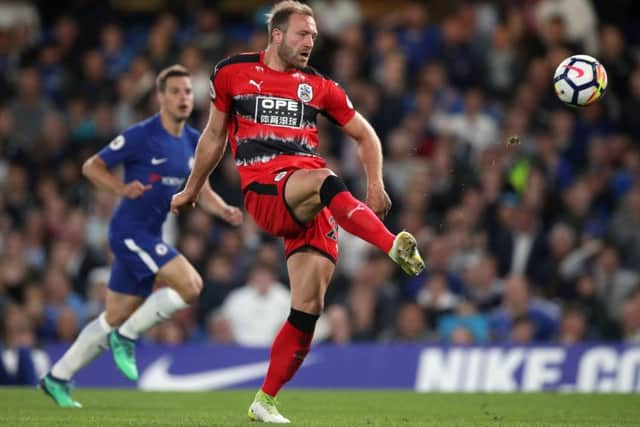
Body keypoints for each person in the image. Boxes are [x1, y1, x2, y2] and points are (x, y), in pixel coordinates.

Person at [171, 1, 425, 422]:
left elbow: (366, 135)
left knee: (308, 309)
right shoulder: (232, 72)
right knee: (324, 177)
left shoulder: (319, 86)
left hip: (312, 201)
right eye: (302, 35)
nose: (310, 43)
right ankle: (389, 244)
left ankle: (264, 400)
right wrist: (191, 189)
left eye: (314, 37)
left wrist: (376, 182)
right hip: (266, 192)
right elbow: (214, 138)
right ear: (277, 35)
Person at [40, 64, 242, 408]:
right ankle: (129, 336)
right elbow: (92, 166)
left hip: (149, 233)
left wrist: (222, 209)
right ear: (160, 97)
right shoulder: (140, 135)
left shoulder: (194, 141)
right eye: (175, 91)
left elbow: (200, 190)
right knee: (191, 286)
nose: (183, 97)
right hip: (130, 234)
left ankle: (57, 377)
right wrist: (120, 188)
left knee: (111, 316)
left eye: (187, 92)